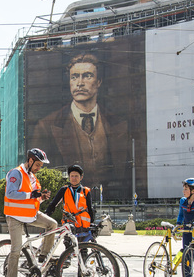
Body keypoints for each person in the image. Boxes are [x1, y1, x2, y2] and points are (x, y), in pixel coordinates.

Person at [32, 53, 128, 191]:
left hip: (110, 197)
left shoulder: (119, 124)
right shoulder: (45, 126)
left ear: (99, 81)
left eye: (87, 76)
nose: (80, 83)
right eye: (74, 77)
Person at [3, 148, 58, 277]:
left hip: (30, 215)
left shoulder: (33, 178)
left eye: (41, 165)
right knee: (16, 250)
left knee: (52, 224)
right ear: (30, 160)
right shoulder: (16, 173)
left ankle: (43, 256)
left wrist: (42, 198)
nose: (39, 168)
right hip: (15, 217)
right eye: (38, 164)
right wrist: (31, 194)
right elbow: (11, 193)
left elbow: (33, 199)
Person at [45, 164, 94, 230]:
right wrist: (46, 215)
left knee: (84, 240)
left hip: (84, 225)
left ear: (81, 177)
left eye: (76, 176)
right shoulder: (64, 190)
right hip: (69, 224)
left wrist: (92, 223)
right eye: (72, 176)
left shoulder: (86, 191)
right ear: (69, 177)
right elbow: (53, 204)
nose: (74, 178)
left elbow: (90, 208)